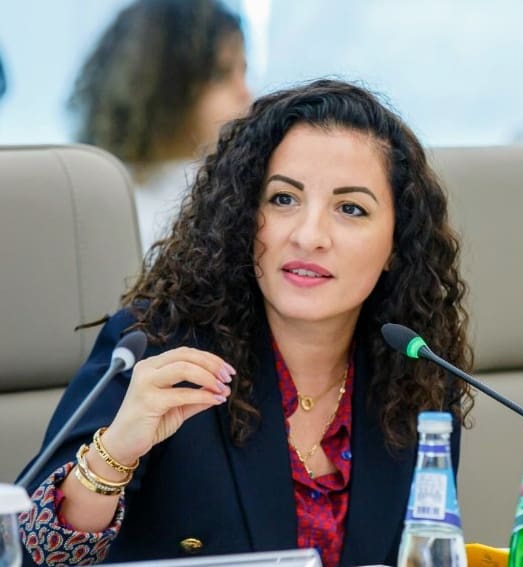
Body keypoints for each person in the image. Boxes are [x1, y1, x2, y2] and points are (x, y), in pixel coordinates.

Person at [18, 78, 474, 567]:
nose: (309, 235)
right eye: (283, 199)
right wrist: (114, 454)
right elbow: (30, 551)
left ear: (396, 246)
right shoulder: (158, 346)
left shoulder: (416, 376)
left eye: (350, 208)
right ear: (243, 214)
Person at [67, 0, 252, 251]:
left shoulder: (235, 194)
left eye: (244, 72)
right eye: (220, 74)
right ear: (162, 88)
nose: (245, 92)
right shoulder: (100, 204)